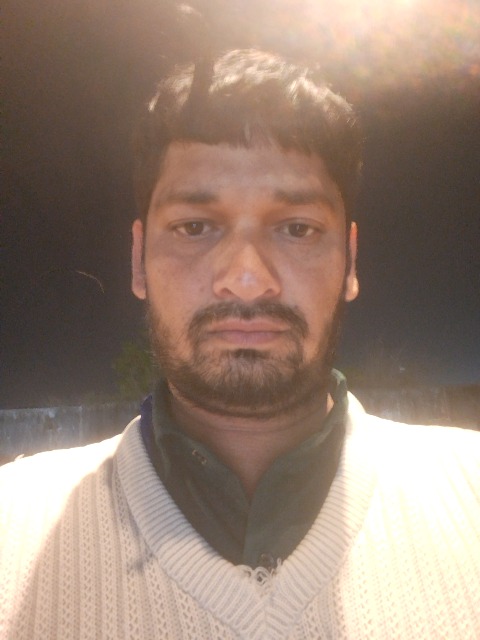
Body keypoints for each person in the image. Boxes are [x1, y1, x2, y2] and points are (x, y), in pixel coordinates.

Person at [1, 49, 478, 640]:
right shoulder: (10, 524)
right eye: (194, 227)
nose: (248, 279)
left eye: (297, 229)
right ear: (138, 259)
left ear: (350, 261)